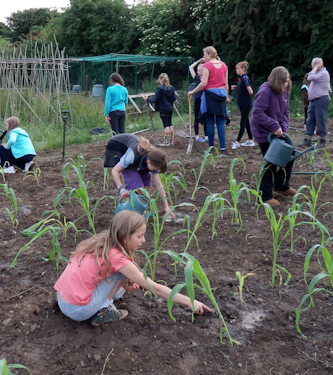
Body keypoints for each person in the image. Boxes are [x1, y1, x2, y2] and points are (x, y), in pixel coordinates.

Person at [54, 210, 211, 325]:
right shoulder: (118, 258)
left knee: (123, 273)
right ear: (124, 237)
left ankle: (105, 299)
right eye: (139, 236)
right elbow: (154, 288)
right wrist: (190, 301)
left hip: (62, 300)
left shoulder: (101, 242)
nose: (143, 240)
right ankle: (103, 310)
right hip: (78, 310)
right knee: (121, 273)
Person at [250, 66, 295, 207]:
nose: (285, 85)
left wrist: (283, 126)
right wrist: (274, 125)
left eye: (287, 81)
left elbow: (286, 111)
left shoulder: (285, 92)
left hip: (278, 130)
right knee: (272, 161)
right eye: (283, 82)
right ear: (276, 81)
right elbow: (257, 113)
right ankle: (264, 196)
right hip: (264, 132)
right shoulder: (265, 92)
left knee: (289, 153)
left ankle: (281, 185)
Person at [104, 133, 175, 217]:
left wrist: (167, 207)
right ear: (149, 162)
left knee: (146, 176)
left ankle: (136, 207)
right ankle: (132, 211)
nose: (155, 171)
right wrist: (121, 189)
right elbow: (115, 171)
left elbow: (159, 185)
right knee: (134, 179)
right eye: (155, 169)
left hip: (135, 153)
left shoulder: (155, 158)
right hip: (117, 146)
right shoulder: (132, 155)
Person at [188, 46, 229, 151]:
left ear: (210, 54)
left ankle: (211, 146)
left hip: (210, 94)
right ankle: (223, 147)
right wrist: (227, 96)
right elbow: (226, 84)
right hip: (221, 95)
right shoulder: (224, 65)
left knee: (210, 120)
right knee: (220, 121)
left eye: (205, 54)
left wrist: (192, 91)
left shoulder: (207, 65)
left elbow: (204, 83)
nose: (204, 56)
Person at [299, 58, 331, 148]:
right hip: (313, 101)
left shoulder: (323, 73)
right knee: (310, 120)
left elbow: (309, 77)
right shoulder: (317, 73)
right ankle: (307, 139)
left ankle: (323, 139)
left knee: (320, 120)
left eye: (313, 65)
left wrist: (315, 69)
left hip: (320, 100)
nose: (312, 67)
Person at [143, 73, 176, 146]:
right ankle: (171, 141)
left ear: (161, 79)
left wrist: (147, 99)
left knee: (166, 125)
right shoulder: (171, 88)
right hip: (170, 108)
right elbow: (174, 98)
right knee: (170, 123)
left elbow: (155, 99)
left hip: (163, 109)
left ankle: (166, 142)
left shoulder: (160, 89)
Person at [231, 61, 254, 149]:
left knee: (242, 122)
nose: (237, 70)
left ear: (243, 69)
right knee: (246, 122)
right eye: (236, 68)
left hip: (246, 104)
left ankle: (237, 141)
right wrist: (237, 88)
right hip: (241, 104)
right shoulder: (240, 78)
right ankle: (251, 140)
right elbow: (243, 87)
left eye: (238, 68)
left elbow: (250, 91)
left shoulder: (245, 78)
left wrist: (246, 91)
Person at [189, 58, 208, 143]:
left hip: (205, 99)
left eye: (200, 70)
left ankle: (206, 136)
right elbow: (190, 68)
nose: (198, 72)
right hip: (197, 99)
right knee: (196, 118)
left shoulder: (207, 79)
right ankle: (197, 136)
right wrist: (198, 61)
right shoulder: (196, 79)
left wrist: (206, 63)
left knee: (205, 118)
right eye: (198, 70)